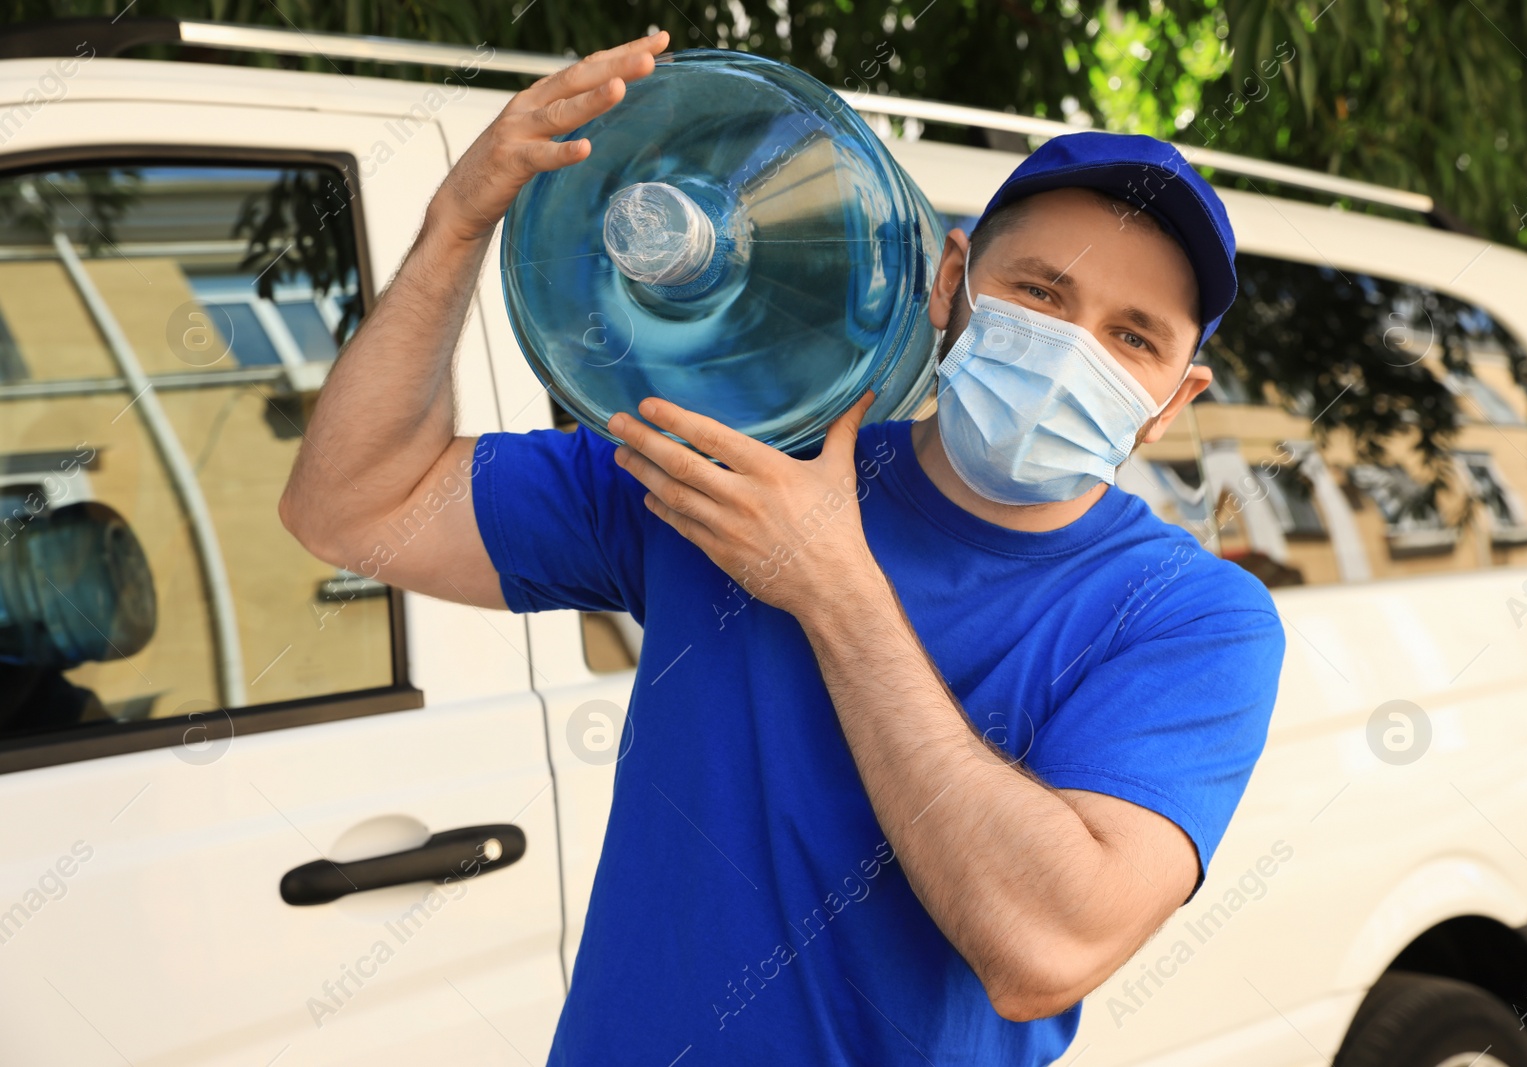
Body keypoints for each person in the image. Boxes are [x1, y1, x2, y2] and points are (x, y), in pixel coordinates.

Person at [279, 29, 1286, 1066]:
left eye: (1132, 337)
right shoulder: (734, 462)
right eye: (1040, 290)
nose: (1072, 346)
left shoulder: (1190, 615)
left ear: (1174, 399)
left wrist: (832, 584)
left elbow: (1041, 945)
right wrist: (458, 223)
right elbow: (352, 504)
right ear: (950, 283)